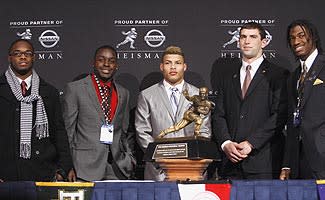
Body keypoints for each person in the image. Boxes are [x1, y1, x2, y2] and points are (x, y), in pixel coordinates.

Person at [213, 22, 288, 179]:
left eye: (253, 37)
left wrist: (251, 143)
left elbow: (279, 116)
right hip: (230, 164)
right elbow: (219, 115)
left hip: (264, 163)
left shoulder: (278, 74)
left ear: (264, 42)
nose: (247, 41)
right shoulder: (227, 75)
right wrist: (226, 143)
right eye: (243, 37)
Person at [0, 39, 75, 182]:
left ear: (33, 57)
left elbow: (58, 131)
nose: (23, 57)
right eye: (18, 53)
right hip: (6, 173)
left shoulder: (49, 92)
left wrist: (64, 167)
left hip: (42, 172)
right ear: (9, 58)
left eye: (27, 53)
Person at [135, 46, 211, 181]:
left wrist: (191, 160)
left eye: (178, 63)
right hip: (158, 170)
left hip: (192, 169)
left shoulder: (197, 95)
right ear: (161, 66)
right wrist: (160, 157)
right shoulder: (147, 95)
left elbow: (205, 132)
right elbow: (142, 131)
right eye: (168, 63)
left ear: (185, 66)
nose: (173, 67)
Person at [62, 45, 135, 181]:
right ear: (94, 63)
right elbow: (68, 132)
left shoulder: (124, 93)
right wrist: (67, 165)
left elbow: (125, 131)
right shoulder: (75, 89)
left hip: (117, 168)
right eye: (101, 60)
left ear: (116, 65)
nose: (106, 64)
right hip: (83, 169)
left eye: (111, 61)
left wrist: (129, 159)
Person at [280, 19, 325, 180]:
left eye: (301, 35)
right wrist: (287, 163)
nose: (296, 41)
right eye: (292, 38)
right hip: (299, 163)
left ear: (313, 37)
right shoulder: (293, 77)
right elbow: (291, 122)